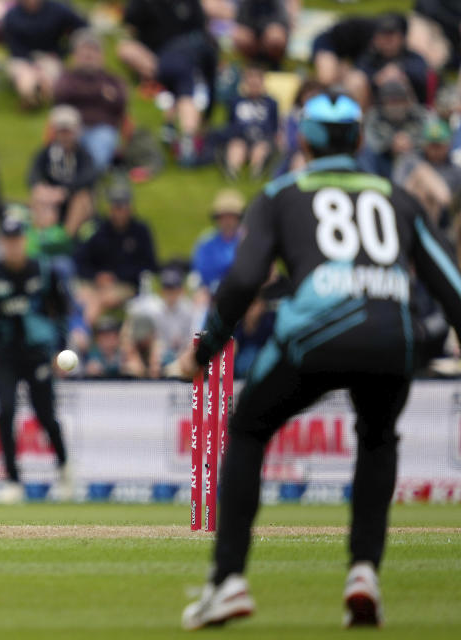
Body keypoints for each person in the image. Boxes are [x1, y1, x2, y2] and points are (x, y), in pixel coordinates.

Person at [167, 92, 461, 629]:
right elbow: (453, 286)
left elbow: (242, 280)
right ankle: (364, 572)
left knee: (249, 428)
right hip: (392, 339)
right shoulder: (397, 196)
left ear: (302, 140)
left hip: (315, 336)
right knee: (377, 437)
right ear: (357, 138)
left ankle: (227, 580)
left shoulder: (280, 194)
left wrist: (205, 349)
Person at [0, 217, 71, 503]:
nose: (13, 246)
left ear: (24, 241)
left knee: (45, 414)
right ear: (1, 243)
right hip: (4, 353)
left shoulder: (43, 271)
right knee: (6, 411)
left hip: (37, 352)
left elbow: (61, 312)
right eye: (7, 241)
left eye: (17, 240)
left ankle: (65, 469)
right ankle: (13, 480)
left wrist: (61, 349)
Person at [117, 0, 218, 165]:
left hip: (166, 64)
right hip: (164, 60)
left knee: (178, 89)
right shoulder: (206, 49)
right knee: (186, 93)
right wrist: (207, 118)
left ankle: (172, 129)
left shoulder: (195, 34)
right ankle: (187, 140)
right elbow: (211, 85)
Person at [53, 29, 128, 171]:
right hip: (73, 129)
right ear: (75, 55)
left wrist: (80, 93)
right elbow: (60, 94)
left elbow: (121, 102)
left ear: (101, 56)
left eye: (93, 51)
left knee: (98, 151)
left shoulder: (112, 79)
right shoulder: (67, 77)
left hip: (102, 129)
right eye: (84, 51)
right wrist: (101, 93)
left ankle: (85, 175)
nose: (89, 55)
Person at [2, 0, 87, 108]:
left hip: (50, 56)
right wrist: (32, 64)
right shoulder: (12, 15)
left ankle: (41, 95)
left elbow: (82, 27)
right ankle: (33, 96)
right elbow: (12, 46)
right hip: (22, 59)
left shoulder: (58, 9)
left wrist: (65, 51)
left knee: (49, 74)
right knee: (25, 78)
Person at [28, 105, 97, 237]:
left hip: (74, 200)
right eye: (61, 131)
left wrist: (64, 191)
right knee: (38, 195)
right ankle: (44, 237)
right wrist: (44, 191)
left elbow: (88, 177)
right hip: (52, 200)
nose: (65, 136)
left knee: (82, 197)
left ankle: (66, 238)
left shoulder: (83, 154)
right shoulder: (46, 152)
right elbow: (33, 174)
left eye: (68, 132)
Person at [222, 64, 279, 180]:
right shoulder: (236, 101)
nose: (253, 84)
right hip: (241, 137)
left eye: (256, 81)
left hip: (262, 138)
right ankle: (232, 171)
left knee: (260, 149)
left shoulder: (271, 103)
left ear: (262, 82)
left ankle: (256, 171)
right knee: (236, 147)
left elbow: (275, 126)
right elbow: (230, 124)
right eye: (250, 81)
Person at [191, 189, 245, 294]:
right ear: (217, 218)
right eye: (224, 217)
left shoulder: (248, 240)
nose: (228, 221)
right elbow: (201, 274)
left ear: (239, 218)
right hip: (212, 294)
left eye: (231, 217)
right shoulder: (206, 242)